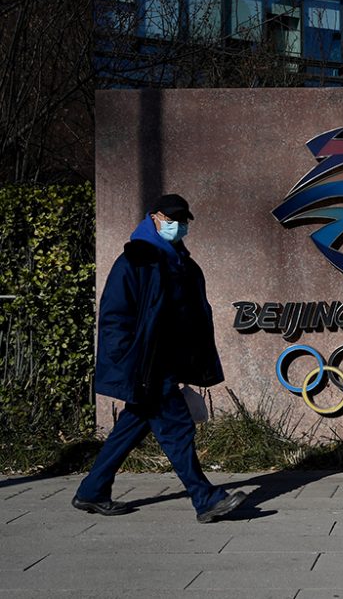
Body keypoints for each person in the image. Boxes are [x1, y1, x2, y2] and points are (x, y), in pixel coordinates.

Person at [73, 194, 246, 523]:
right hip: (146, 363)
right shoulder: (135, 260)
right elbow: (114, 318)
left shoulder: (181, 261)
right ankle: (205, 498)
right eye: (171, 218)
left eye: (182, 221)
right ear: (153, 217)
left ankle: (92, 491)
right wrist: (128, 361)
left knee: (132, 426)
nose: (177, 225)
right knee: (177, 428)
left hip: (168, 360)